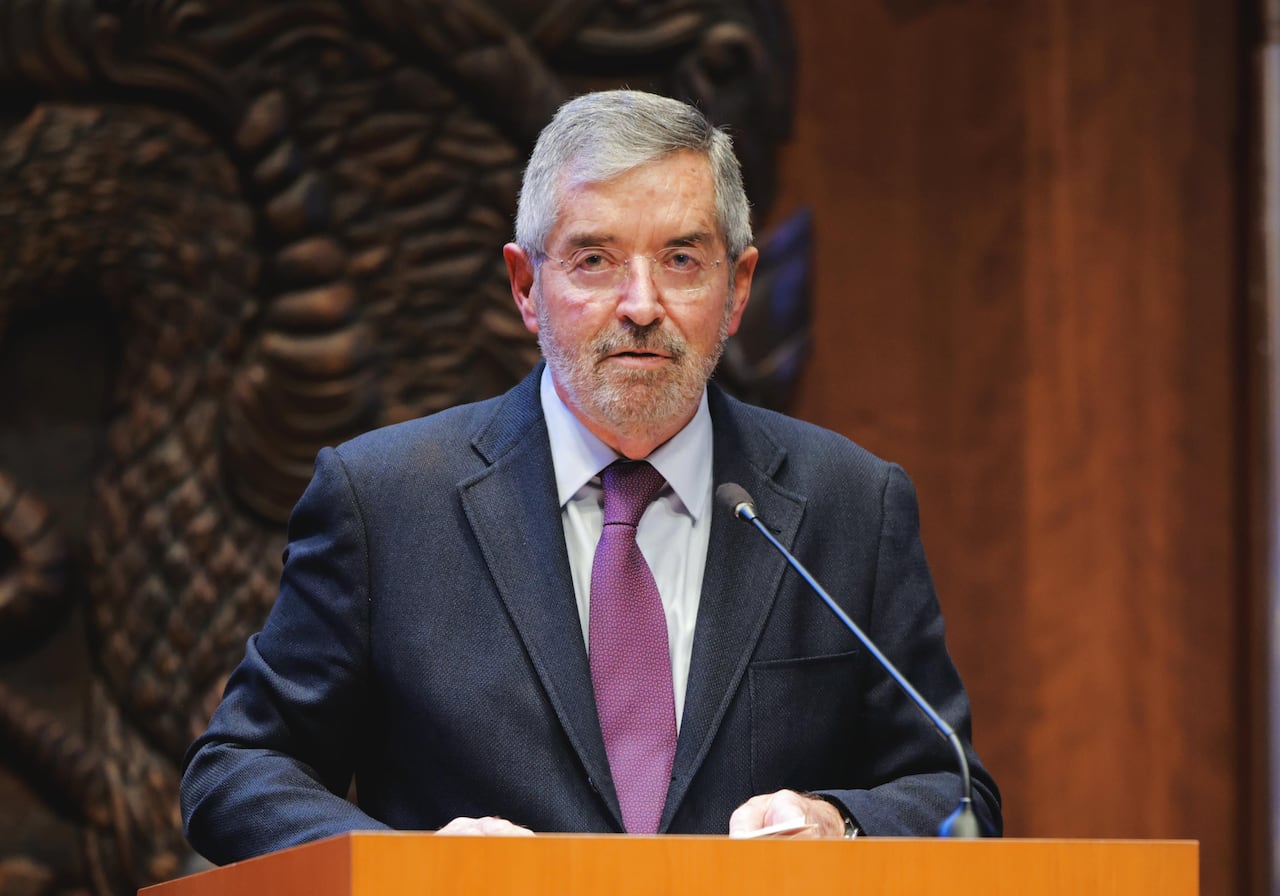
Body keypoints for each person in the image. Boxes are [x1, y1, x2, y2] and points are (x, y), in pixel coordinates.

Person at [180, 89, 1001, 863]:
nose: (640, 304)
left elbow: (954, 794)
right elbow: (237, 770)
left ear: (738, 288)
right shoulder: (387, 501)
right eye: (595, 260)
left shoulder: (849, 503)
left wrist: (841, 823)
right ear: (527, 287)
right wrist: (414, 868)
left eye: (682, 259)